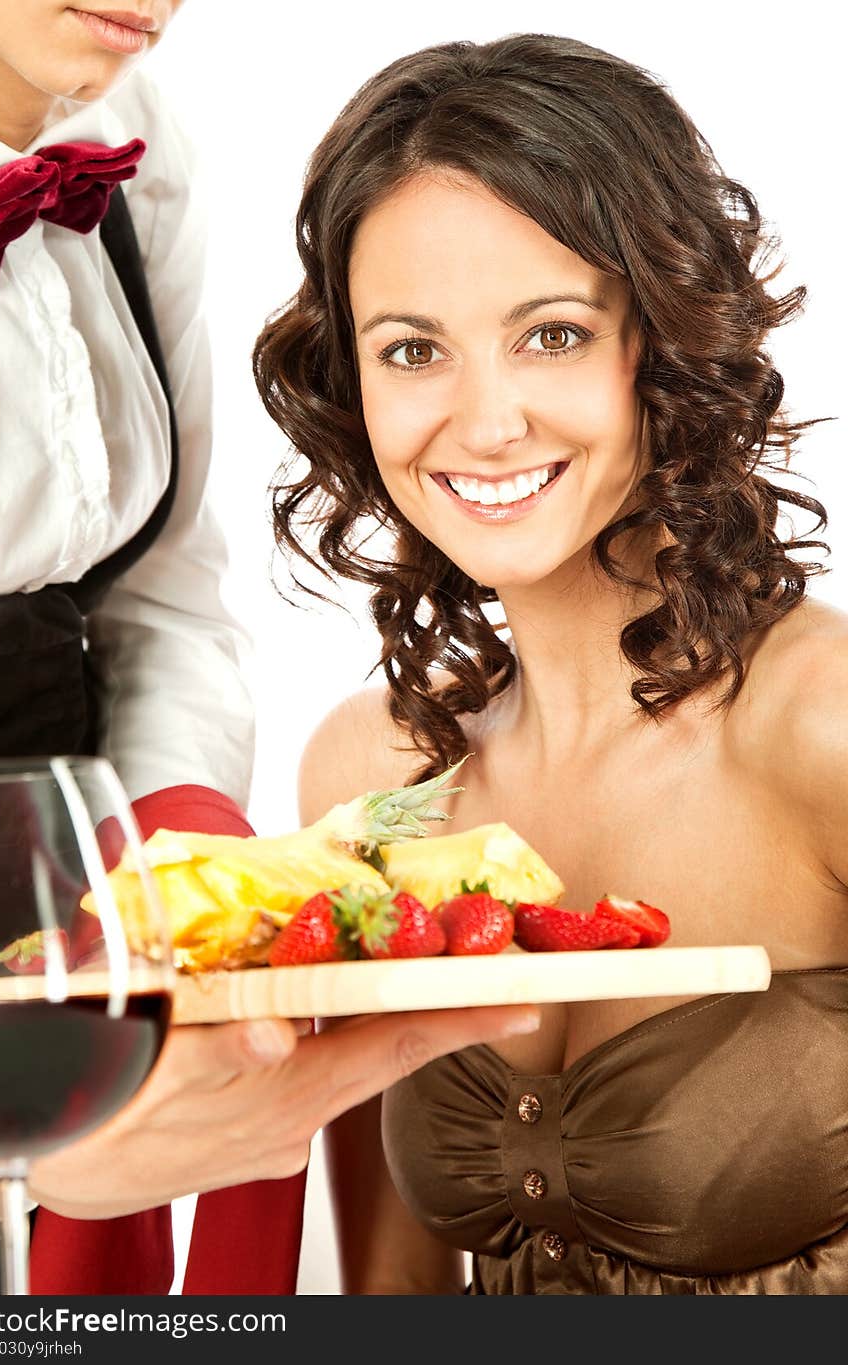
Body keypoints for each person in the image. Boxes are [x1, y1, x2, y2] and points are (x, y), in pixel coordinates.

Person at [253, 33, 848, 1294]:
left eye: (552, 335)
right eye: (413, 350)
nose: (482, 422)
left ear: (666, 341)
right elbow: (391, 1294)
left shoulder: (823, 726)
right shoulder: (369, 780)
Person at [0, 4, 540, 1295]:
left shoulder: (135, 133)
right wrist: (24, 1141)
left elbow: (158, 589)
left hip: (61, 894)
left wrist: (179, 863)